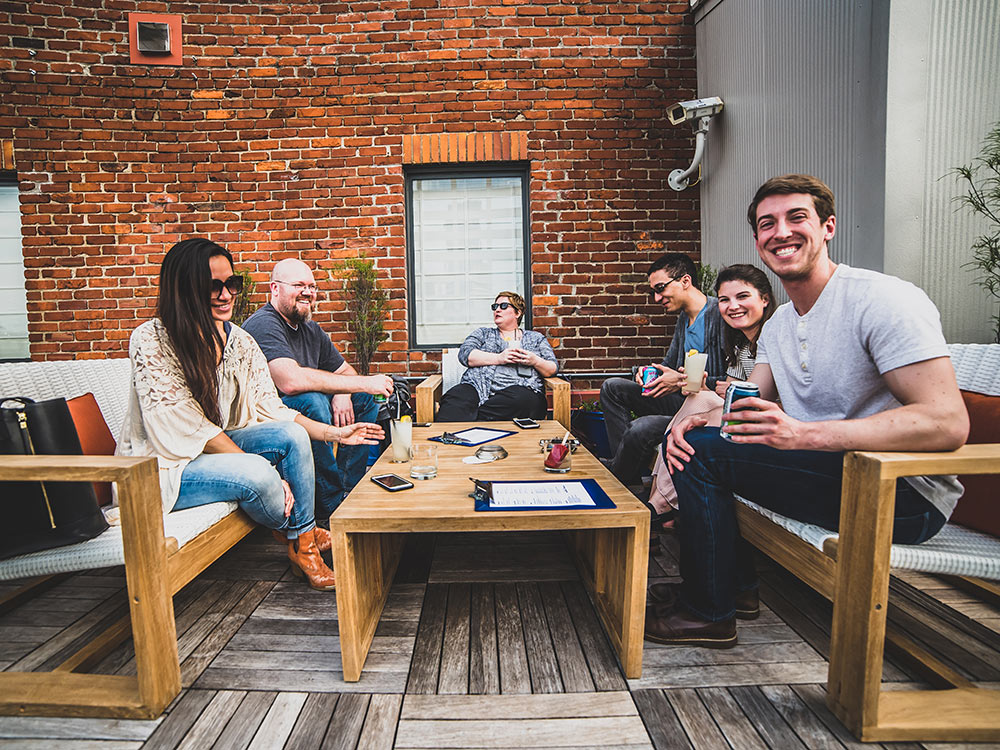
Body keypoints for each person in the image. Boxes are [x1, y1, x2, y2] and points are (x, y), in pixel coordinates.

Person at [648, 175, 969, 648]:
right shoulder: (780, 322)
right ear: (757, 241)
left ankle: (708, 610)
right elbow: (749, 402)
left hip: (900, 492)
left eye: (796, 218)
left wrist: (804, 434)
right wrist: (702, 419)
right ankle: (730, 593)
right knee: (696, 442)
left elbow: (946, 422)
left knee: (705, 456)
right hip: (834, 472)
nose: (781, 232)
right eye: (766, 224)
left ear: (828, 227)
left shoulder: (881, 300)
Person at [118, 239, 383, 591]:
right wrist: (265, 474)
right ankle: (305, 540)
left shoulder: (239, 341)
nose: (226, 294)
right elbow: (184, 425)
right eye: (213, 285)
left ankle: (303, 540)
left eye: (232, 284)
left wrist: (334, 434)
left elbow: (271, 409)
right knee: (260, 475)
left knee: (291, 435)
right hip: (166, 466)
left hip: (217, 452)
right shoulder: (151, 339)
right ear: (183, 287)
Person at [243, 259, 393, 519]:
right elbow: (289, 381)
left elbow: (346, 373)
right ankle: (328, 505)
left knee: (364, 400)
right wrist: (362, 382)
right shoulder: (264, 324)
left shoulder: (310, 329)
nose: (308, 292)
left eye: (311, 286)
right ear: (274, 289)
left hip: (308, 413)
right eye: (298, 285)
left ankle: (348, 490)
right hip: (267, 420)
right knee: (312, 401)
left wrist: (345, 393)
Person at [647, 264, 775, 517]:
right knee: (697, 399)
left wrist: (721, 391)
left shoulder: (775, 337)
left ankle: (659, 504)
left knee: (691, 418)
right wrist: (703, 385)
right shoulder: (739, 345)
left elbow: (755, 398)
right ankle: (657, 499)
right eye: (725, 300)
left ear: (765, 299)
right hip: (733, 410)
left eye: (742, 297)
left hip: (767, 421)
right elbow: (723, 391)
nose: (733, 306)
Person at [600, 253, 727, 486]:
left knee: (642, 427)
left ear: (685, 281)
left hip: (703, 409)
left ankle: (620, 478)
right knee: (612, 388)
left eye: (660, 288)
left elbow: (726, 380)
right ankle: (624, 469)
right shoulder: (684, 318)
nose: (657, 298)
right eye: (653, 292)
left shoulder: (720, 314)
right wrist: (648, 371)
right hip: (679, 399)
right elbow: (668, 365)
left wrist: (679, 380)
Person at [435, 291, 558, 422]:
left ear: (518, 313)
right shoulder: (483, 333)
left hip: (519, 393)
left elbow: (552, 368)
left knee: (525, 400)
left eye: (503, 306)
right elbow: (465, 354)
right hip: (477, 387)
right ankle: (444, 437)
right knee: (456, 397)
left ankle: (471, 417)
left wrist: (535, 361)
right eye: (495, 307)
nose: (497, 310)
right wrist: (499, 358)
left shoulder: (535, 338)